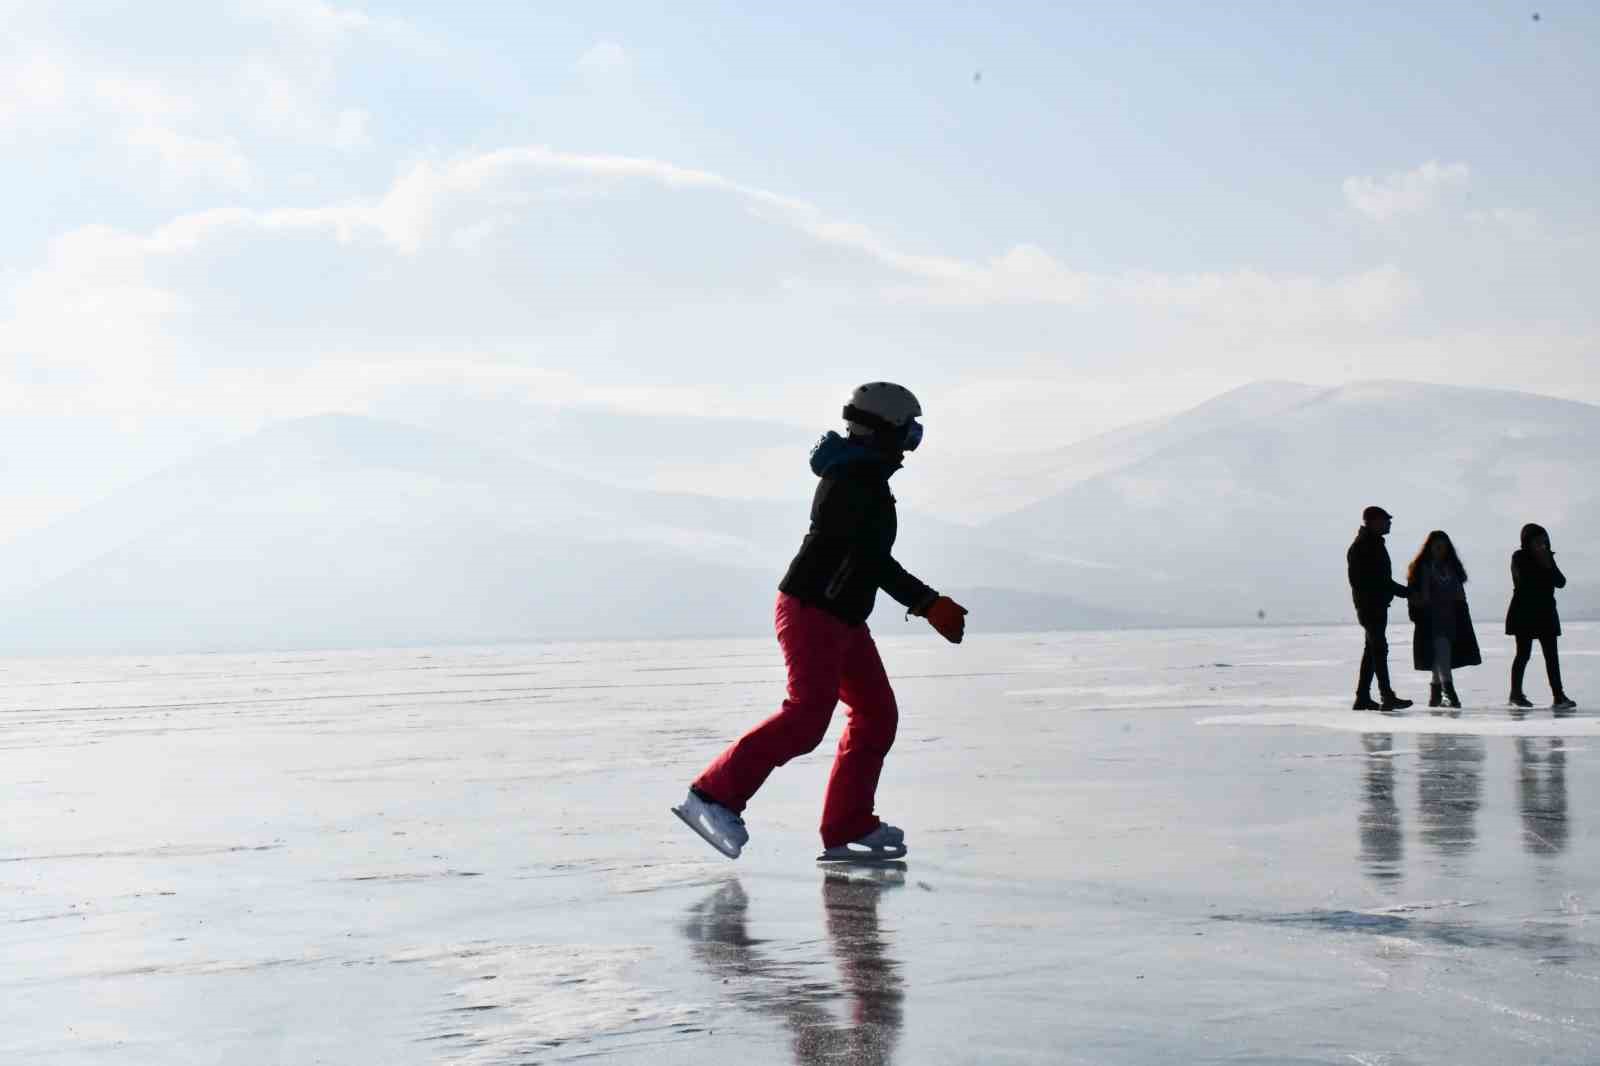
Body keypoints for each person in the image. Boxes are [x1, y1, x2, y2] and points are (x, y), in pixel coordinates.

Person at [673, 383, 968, 862]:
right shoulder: (853, 481)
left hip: (844, 617)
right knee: (808, 717)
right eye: (908, 432)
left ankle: (847, 825)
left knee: (876, 715)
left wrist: (926, 602)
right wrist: (928, 602)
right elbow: (871, 560)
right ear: (884, 431)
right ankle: (711, 797)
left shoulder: (865, 475)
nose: (912, 444)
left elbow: (870, 559)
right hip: (813, 611)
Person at [1406, 530, 1481, 710]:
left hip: (1451, 617)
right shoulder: (1422, 568)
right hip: (1431, 619)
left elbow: (1459, 595)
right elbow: (1417, 596)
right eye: (1437, 546)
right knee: (1442, 652)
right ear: (1430, 548)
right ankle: (1449, 692)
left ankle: (1436, 694)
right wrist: (1419, 608)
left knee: (1440, 656)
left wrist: (1463, 615)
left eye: (1444, 547)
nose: (1441, 550)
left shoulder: (1451, 568)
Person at [1506, 523, 1577, 711]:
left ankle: (1558, 695)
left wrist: (1547, 562)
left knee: (1551, 656)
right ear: (1527, 542)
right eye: (1537, 541)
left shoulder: (1548, 557)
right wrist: (1541, 564)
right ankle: (1516, 694)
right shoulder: (1519, 557)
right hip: (1524, 612)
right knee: (1523, 653)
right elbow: (1524, 582)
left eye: (1544, 541)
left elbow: (1561, 582)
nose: (1541, 545)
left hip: (1546, 612)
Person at [1347, 506, 1413, 711]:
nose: (1389, 523)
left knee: (1372, 651)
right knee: (1378, 649)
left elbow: (1380, 581)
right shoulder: (1364, 546)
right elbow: (1378, 581)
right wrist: (1409, 592)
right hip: (1370, 606)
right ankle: (1386, 695)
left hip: (1374, 604)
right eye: (1386, 520)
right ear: (1374, 521)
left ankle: (1363, 697)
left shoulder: (1372, 544)